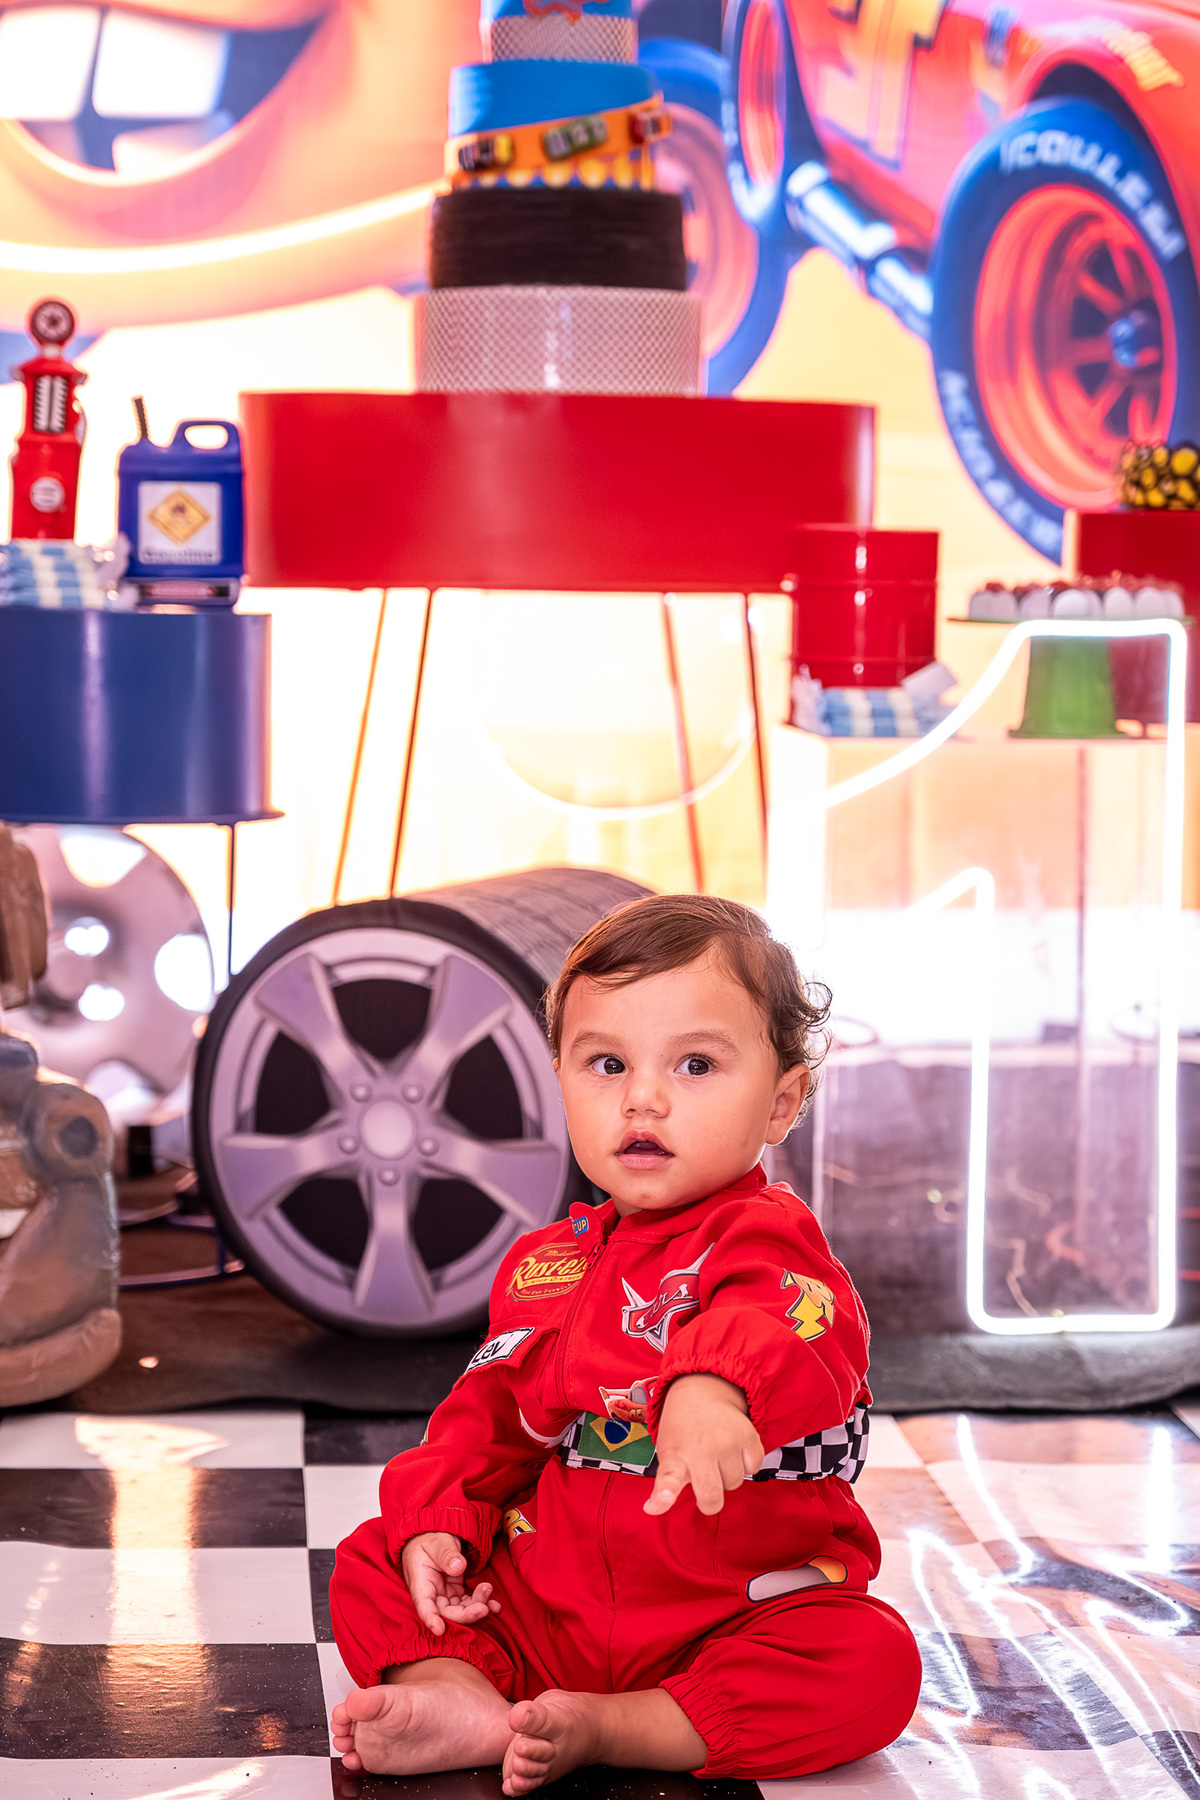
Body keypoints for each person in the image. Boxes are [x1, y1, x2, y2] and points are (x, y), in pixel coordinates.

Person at [330, 893, 921, 1792]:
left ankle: (626, 1726)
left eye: (694, 1064)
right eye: (606, 1063)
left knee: (870, 1661)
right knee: (377, 1554)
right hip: (550, 1602)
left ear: (781, 1102)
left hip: (730, 1609)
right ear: (559, 1079)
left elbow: (787, 1323)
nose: (643, 1097)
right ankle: (463, 1698)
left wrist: (712, 1389)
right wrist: (441, 1527)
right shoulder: (545, 1266)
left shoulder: (768, 1240)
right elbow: (485, 1418)